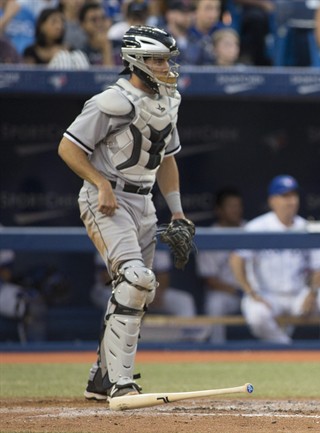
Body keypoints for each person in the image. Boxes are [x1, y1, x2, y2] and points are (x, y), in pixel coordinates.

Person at [57, 25, 189, 401]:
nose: (166, 67)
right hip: (107, 198)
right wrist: (99, 183)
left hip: (144, 202)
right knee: (135, 280)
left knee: (137, 291)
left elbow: (167, 161)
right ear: (137, 60)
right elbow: (68, 148)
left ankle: (101, 377)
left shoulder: (168, 101)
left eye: (167, 60)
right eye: (158, 60)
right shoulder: (110, 101)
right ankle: (120, 382)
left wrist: (177, 212)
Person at [229, 175, 320, 345]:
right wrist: (251, 292)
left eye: (293, 196)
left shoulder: (305, 227)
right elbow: (236, 259)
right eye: (285, 196)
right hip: (268, 295)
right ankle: (286, 348)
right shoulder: (258, 227)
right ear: (272, 201)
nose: (291, 201)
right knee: (256, 316)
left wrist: (312, 293)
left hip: (299, 294)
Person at [196, 188, 245, 343]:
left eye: (238, 206)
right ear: (219, 210)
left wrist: (250, 291)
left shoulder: (251, 228)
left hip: (253, 292)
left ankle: (277, 351)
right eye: (231, 206)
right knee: (215, 304)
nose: (236, 210)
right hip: (228, 293)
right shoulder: (210, 234)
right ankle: (217, 349)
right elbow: (210, 280)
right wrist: (237, 291)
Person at [91, 250, 197, 318]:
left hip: (148, 291)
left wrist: (156, 292)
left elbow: (163, 274)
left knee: (184, 301)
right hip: (111, 289)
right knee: (118, 302)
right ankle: (112, 345)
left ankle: (187, 346)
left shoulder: (151, 237)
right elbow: (106, 277)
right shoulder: (111, 236)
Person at [21, 7, 89, 68]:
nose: (59, 27)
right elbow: (29, 75)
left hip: (70, 80)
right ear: (42, 26)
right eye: (54, 22)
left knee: (78, 55)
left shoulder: (69, 49)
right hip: (43, 80)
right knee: (62, 57)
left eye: (61, 23)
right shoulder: (31, 51)